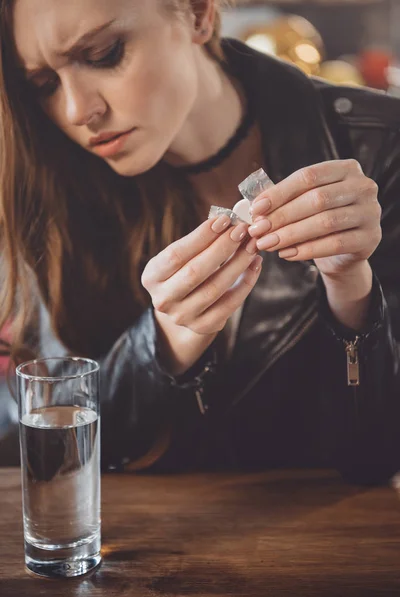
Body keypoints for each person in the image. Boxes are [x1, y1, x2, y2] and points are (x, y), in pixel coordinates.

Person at [0, 0, 399, 483]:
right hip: (145, 552)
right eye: (44, 84)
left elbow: (378, 455)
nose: (77, 109)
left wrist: (352, 291)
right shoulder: (46, 178)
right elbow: (35, 448)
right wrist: (162, 345)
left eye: (103, 53)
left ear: (195, 12)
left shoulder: (381, 146)